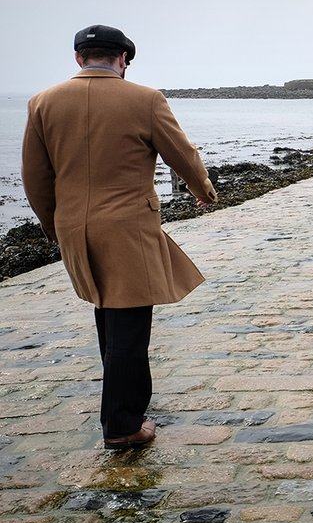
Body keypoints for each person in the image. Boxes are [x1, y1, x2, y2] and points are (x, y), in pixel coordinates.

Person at [22, 24, 218, 450]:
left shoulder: (43, 102)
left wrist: (54, 225)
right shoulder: (145, 99)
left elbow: (35, 177)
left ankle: (124, 408)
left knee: (109, 316)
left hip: (74, 227)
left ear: (79, 58)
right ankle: (122, 426)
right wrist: (203, 190)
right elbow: (181, 153)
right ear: (123, 59)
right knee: (129, 325)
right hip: (129, 228)